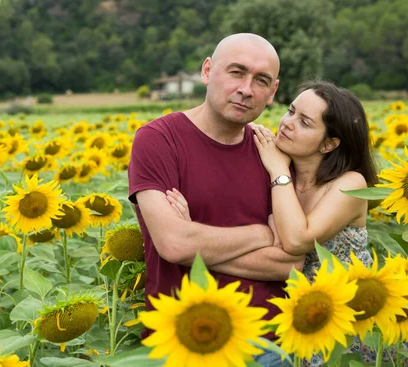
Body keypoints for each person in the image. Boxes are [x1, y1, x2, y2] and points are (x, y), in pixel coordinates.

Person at [167, 80, 381, 366]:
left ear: (329, 144)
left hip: (347, 321)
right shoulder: (276, 171)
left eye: (304, 122)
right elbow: (242, 231)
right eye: (291, 111)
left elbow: (294, 241)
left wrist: (194, 253)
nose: (287, 123)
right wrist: (192, 230)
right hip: (298, 321)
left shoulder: (349, 184)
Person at [128, 33, 303, 367]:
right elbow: (174, 244)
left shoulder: (272, 153)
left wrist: (195, 241)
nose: (247, 89)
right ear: (207, 70)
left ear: (273, 92)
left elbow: (292, 262)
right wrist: (262, 234)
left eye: (261, 81)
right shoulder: (158, 140)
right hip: (185, 344)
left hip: (270, 344)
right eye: (236, 72)